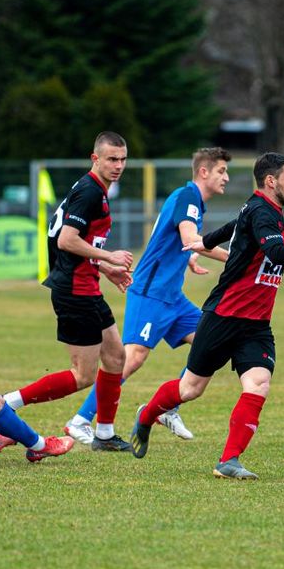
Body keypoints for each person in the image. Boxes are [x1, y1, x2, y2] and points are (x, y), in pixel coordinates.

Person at [129, 152, 284, 479]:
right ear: (270, 181)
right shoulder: (263, 212)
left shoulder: (260, 209)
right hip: (224, 316)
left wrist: (203, 242)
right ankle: (147, 416)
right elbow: (275, 252)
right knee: (190, 388)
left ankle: (228, 460)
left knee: (258, 382)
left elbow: (234, 226)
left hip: (256, 324)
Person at [65, 147, 233, 444]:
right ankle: (80, 420)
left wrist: (189, 259)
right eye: (222, 171)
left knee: (215, 342)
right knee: (131, 358)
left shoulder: (191, 200)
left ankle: (168, 408)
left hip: (172, 296)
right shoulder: (188, 197)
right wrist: (233, 258)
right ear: (204, 172)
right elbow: (190, 239)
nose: (227, 178)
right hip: (151, 292)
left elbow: (177, 241)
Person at [1, 131, 135, 451]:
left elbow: (71, 245)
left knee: (116, 357)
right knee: (82, 376)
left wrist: (104, 269)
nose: (118, 166)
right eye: (111, 159)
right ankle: (7, 404)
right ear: (95, 159)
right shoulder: (90, 192)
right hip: (75, 291)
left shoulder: (94, 190)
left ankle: (103, 433)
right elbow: (66, 241)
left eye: (122, 159)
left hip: (86, 283)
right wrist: (109, 256)